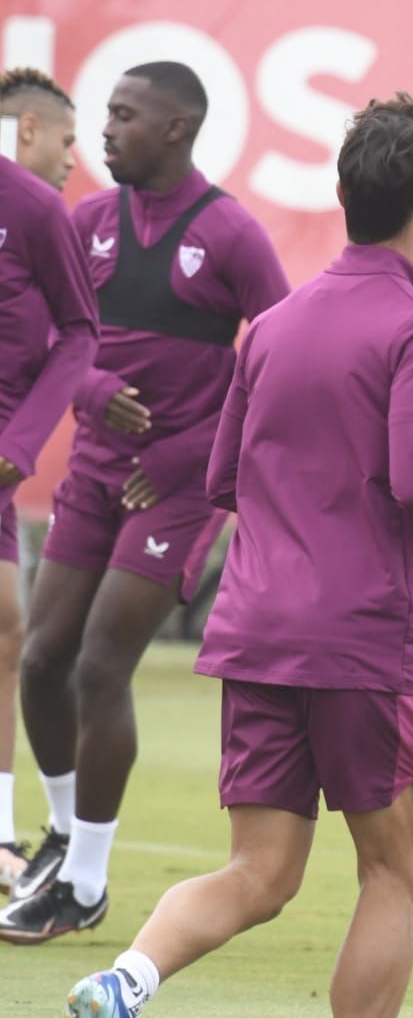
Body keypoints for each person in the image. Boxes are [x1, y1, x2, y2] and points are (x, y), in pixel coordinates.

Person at [63, 93, 413, 1018]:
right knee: (396, 867)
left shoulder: (271, 328)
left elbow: (227, 476)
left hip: (258, 629)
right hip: (362, 640)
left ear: (343, 195)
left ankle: (127, 977)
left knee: (259, 871)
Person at [3, 63, 291, 941]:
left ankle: (84, 884)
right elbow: (60, 345)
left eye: (125, 116)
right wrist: (89, 392)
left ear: (176, 129)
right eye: (103, 115)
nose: (105, 131)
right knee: (43, 659)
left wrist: (187, 455)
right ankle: (63, 836)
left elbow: (282, 359)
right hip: (94, 472)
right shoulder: (85, 222)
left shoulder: (232, 235)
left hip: (175, 485)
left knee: (99, 666)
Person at [0, 69, 98, 891]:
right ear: (29, 129)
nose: (76, 158)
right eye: (68, 140)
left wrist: (21, 442)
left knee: (8, 633)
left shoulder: (33, 212)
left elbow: (80, 334)